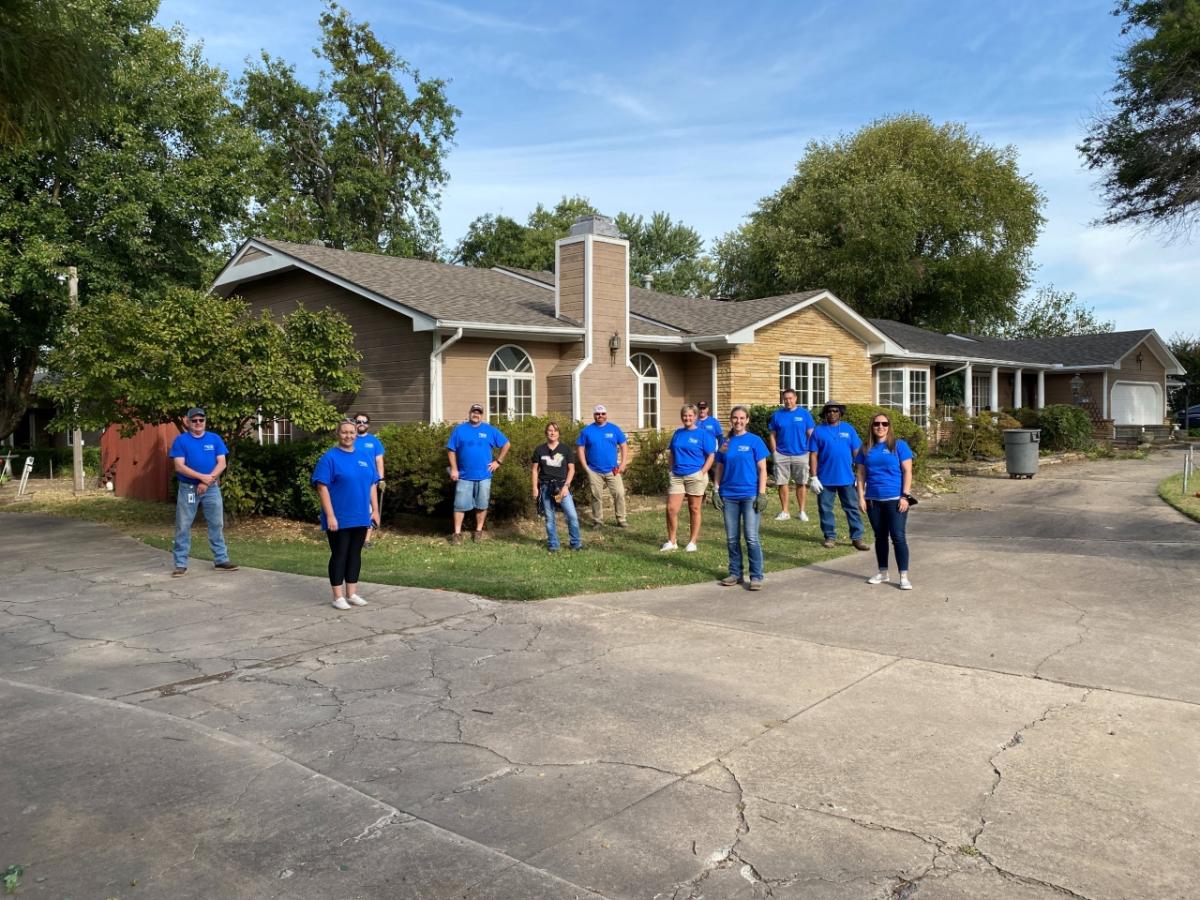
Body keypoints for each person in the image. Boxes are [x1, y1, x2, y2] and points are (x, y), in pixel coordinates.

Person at [312, 419, 380, 610]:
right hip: (339, 516)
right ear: (338, 434)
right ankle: (338, 596)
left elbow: (372, 484)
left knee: (355, 554)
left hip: (360, 515)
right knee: (340, 554)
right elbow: (322, 487)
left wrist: (375, 510)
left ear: (356, 434)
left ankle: (351, 593)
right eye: (344, 432)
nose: (348, 436)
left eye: (351, 432)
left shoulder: (365, 457)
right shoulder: (329, 458)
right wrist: (330, 515)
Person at [169, 407, 238, 577]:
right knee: (183, 525)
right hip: (188, 489)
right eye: (194, 420)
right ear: (188, 422)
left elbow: (222, 463)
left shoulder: (214, 439)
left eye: (201, 420)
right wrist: (202, 478)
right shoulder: (181, 441)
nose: (198, 423)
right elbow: (179, 466)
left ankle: (221, 560)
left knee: (216, 523)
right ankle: (180, 563)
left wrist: (207, 482)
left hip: (211, 488)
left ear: (205, 421)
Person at [712, 405, 770, 590]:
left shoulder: (755, 441)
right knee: (732, 538)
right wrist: (715, 489)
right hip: (729, 496)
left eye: (742, 418)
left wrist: (761, 494)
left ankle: (756, 576)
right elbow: (719, 467)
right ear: (731, 419)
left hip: (750, 495)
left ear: (747, 420)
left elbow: (763, 470)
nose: (738, 421)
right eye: (735, 418)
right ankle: (735, 573)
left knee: (751, 538)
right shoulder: (725, 443)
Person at [856, 413, 914, 590]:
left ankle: (903, 576)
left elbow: (907, 472)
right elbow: (860, 474)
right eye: (876, 424)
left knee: (898, 536)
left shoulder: (899, 446)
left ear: (889, 426)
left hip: (895, 500)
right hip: (873, 500)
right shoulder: (865, 448)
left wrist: (905, 496)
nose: (880, 427)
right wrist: (861, 497)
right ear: (871, 427)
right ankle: (882, 572)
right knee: (880, 537)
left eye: (884, 423)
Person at [808, 401, 869, 551]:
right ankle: (830, 537)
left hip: (847, 478)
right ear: (825, 414)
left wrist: (861, 474)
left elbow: (857, 452)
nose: (832, 414)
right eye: (829, 411)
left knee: (852, 508)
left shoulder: (848, 429)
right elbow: (813, 455)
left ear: (840, 413)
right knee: (825, 509)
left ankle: (857, 538)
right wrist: (813, 477)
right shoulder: (818, 431)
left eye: (835, 411)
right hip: (825, 479)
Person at [446, 403, 510, 544]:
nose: (476, 414)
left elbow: (506, 444)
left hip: (484, 476)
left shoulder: (489, 430)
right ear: (469, 413)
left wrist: (498, 462)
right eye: (474, 412)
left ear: (482, 415)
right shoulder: (459, 430)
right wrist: (454, 469)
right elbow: (451, 450)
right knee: (459, 505)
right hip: (464, 476)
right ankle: (457, 533)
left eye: (479, 412)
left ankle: (478, 531)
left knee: (482, 504)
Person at [663, 404, 717, 552]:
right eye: (685, 415)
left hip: (695, 475)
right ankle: (672, 541)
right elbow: (672, 453)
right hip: (677, 476)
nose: (687, 418)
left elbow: (711, 455)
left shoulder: (702, 434)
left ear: (695, 417)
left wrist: (703, 472)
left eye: (690, 415)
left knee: (694, 508)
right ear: (682, 417)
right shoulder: (678, 433)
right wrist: (670, 470)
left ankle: (692, 541)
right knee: (671, 509)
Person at [531, 422, 582, 552]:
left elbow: (571, 469)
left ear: (559, 433)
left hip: (561, 488)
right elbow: (535, 470)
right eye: (549, 430)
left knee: (572, 516)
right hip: (546, 487)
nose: (552, 433)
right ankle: (553, 545)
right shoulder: (539, 449)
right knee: (550, 518)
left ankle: (576, 544)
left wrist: (566, 486)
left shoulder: (566, 449)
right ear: (545, 432)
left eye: (555, 430)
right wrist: (535, 488)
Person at [576, 404, 629, 528]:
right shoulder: (587, 431)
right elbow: (580, 448)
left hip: (613, 469)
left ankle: (621, 519)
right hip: (594, 470)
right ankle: (598, 521)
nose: (600, 416)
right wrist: (585, 467)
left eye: (603, 414)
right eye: (597, 414)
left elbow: (623, 445)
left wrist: (623, 463)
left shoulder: (614, 429)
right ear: (594, 415)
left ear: (606, 415)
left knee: (619, 493)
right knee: (596, 496)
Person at [768, 388, 815, 522]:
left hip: (802, 454)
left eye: (790, 398)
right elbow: (772, 435)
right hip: (781, 454)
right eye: (785, 399)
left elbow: (811, 434)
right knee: (782, 483)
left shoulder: (804, 414)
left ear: (796, 398)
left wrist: (810, 451)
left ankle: (802, 511)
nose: (788, 401)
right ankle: (785, 511)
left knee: (801, 482)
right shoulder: (777, 415)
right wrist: (774, 452)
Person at [353, 413, 385, 546]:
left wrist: (381, 479)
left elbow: (379, 461)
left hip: (370, 481)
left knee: (370, 509)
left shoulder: (374, 441)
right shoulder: (350, 439)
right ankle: (353, 536)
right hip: (353, 481)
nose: (361, 424)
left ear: (368, 424)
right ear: (355, 423)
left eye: (364, 422)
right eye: (358, 421)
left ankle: (366, 540)